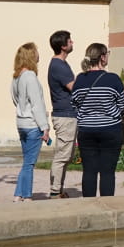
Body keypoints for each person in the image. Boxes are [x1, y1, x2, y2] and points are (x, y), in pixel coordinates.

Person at [71, 42, 124, 197]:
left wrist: (86, 115)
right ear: (102, 57)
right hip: (111, 129)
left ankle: (89, 206)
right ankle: (107, 205)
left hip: (86, 130)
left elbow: (74, 103)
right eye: (107, 53)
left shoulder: (80, 79)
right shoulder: (113, 79)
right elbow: (123, 105)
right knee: (108, 172)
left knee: (89, 171)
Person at [10, 42, 50, 202]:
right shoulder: (30, 77)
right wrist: (45, 127)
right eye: (37, 52)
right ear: (31, 56)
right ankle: (26, 195)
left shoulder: (16, 76)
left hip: (21, 123)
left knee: (27, 161)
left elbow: (15, 99)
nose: (39, 55)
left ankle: (18, 194)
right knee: (29, 163)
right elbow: (36, 104)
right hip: (33, 124)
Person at [47, 29, 77, 198]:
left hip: (67, 114)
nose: (72, 42)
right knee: (62, 155)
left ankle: (58, 189)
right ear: (63, 46)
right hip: (65, 115)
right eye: (70, 41)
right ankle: (54, 191)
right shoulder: (59, 65)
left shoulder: (61, 64)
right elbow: (74, 87)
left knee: (66, 155)